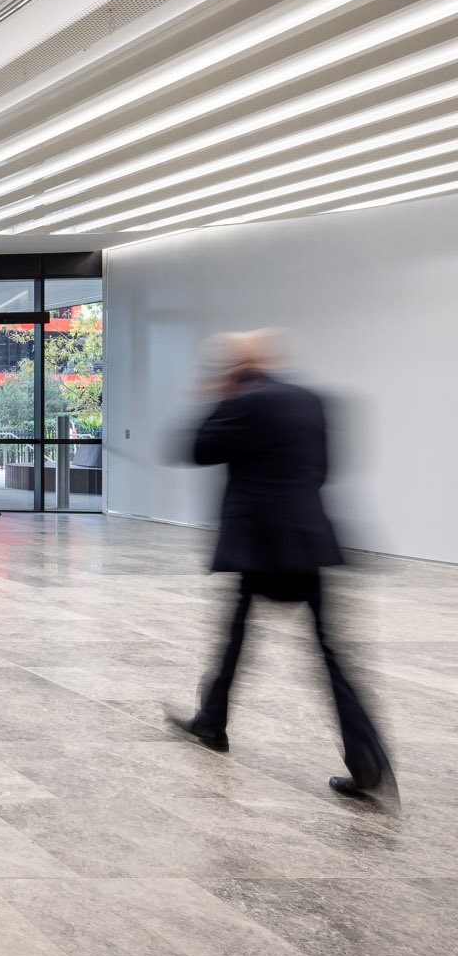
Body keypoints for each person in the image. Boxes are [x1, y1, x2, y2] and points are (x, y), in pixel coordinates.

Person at [167, 330, 395, 803]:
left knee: (234, 639)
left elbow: (196, 450)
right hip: (308, 538)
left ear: (236, 367)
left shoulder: (245, 401)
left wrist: (217, 398)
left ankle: (211, 721)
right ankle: (366, 758)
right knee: (331, 654)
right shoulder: (311, 400)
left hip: (259, 543)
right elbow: (326, 468)